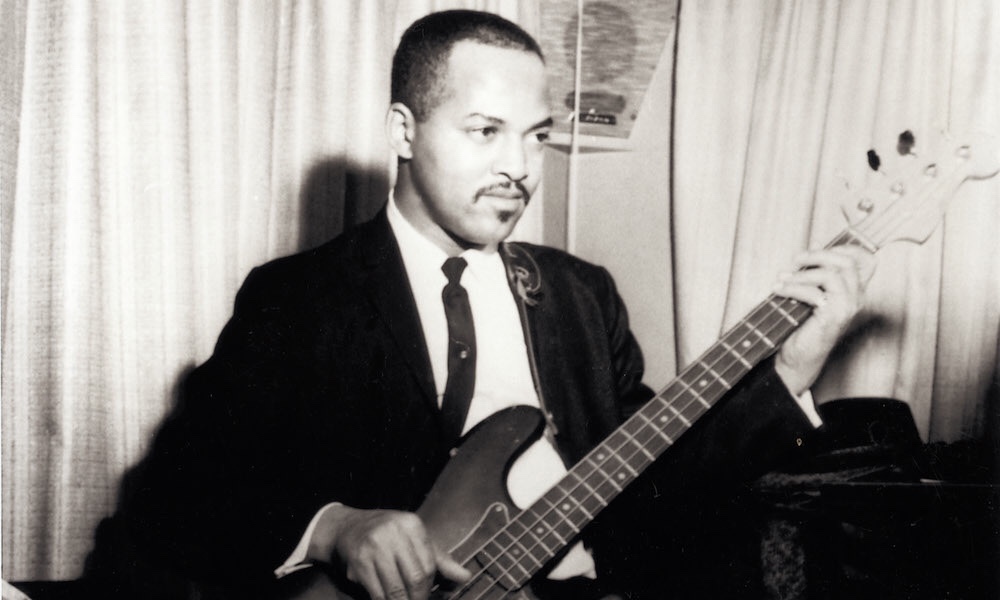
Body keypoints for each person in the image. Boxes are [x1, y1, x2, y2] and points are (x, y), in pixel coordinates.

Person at [110, 9, 872, 600]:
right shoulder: (301, 297)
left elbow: (656, 484)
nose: (519, 167)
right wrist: (335, 527)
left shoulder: (581, 295)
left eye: (536, 136)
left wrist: (789, 374)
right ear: (404, 131)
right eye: (485, 132)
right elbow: (178, 495)